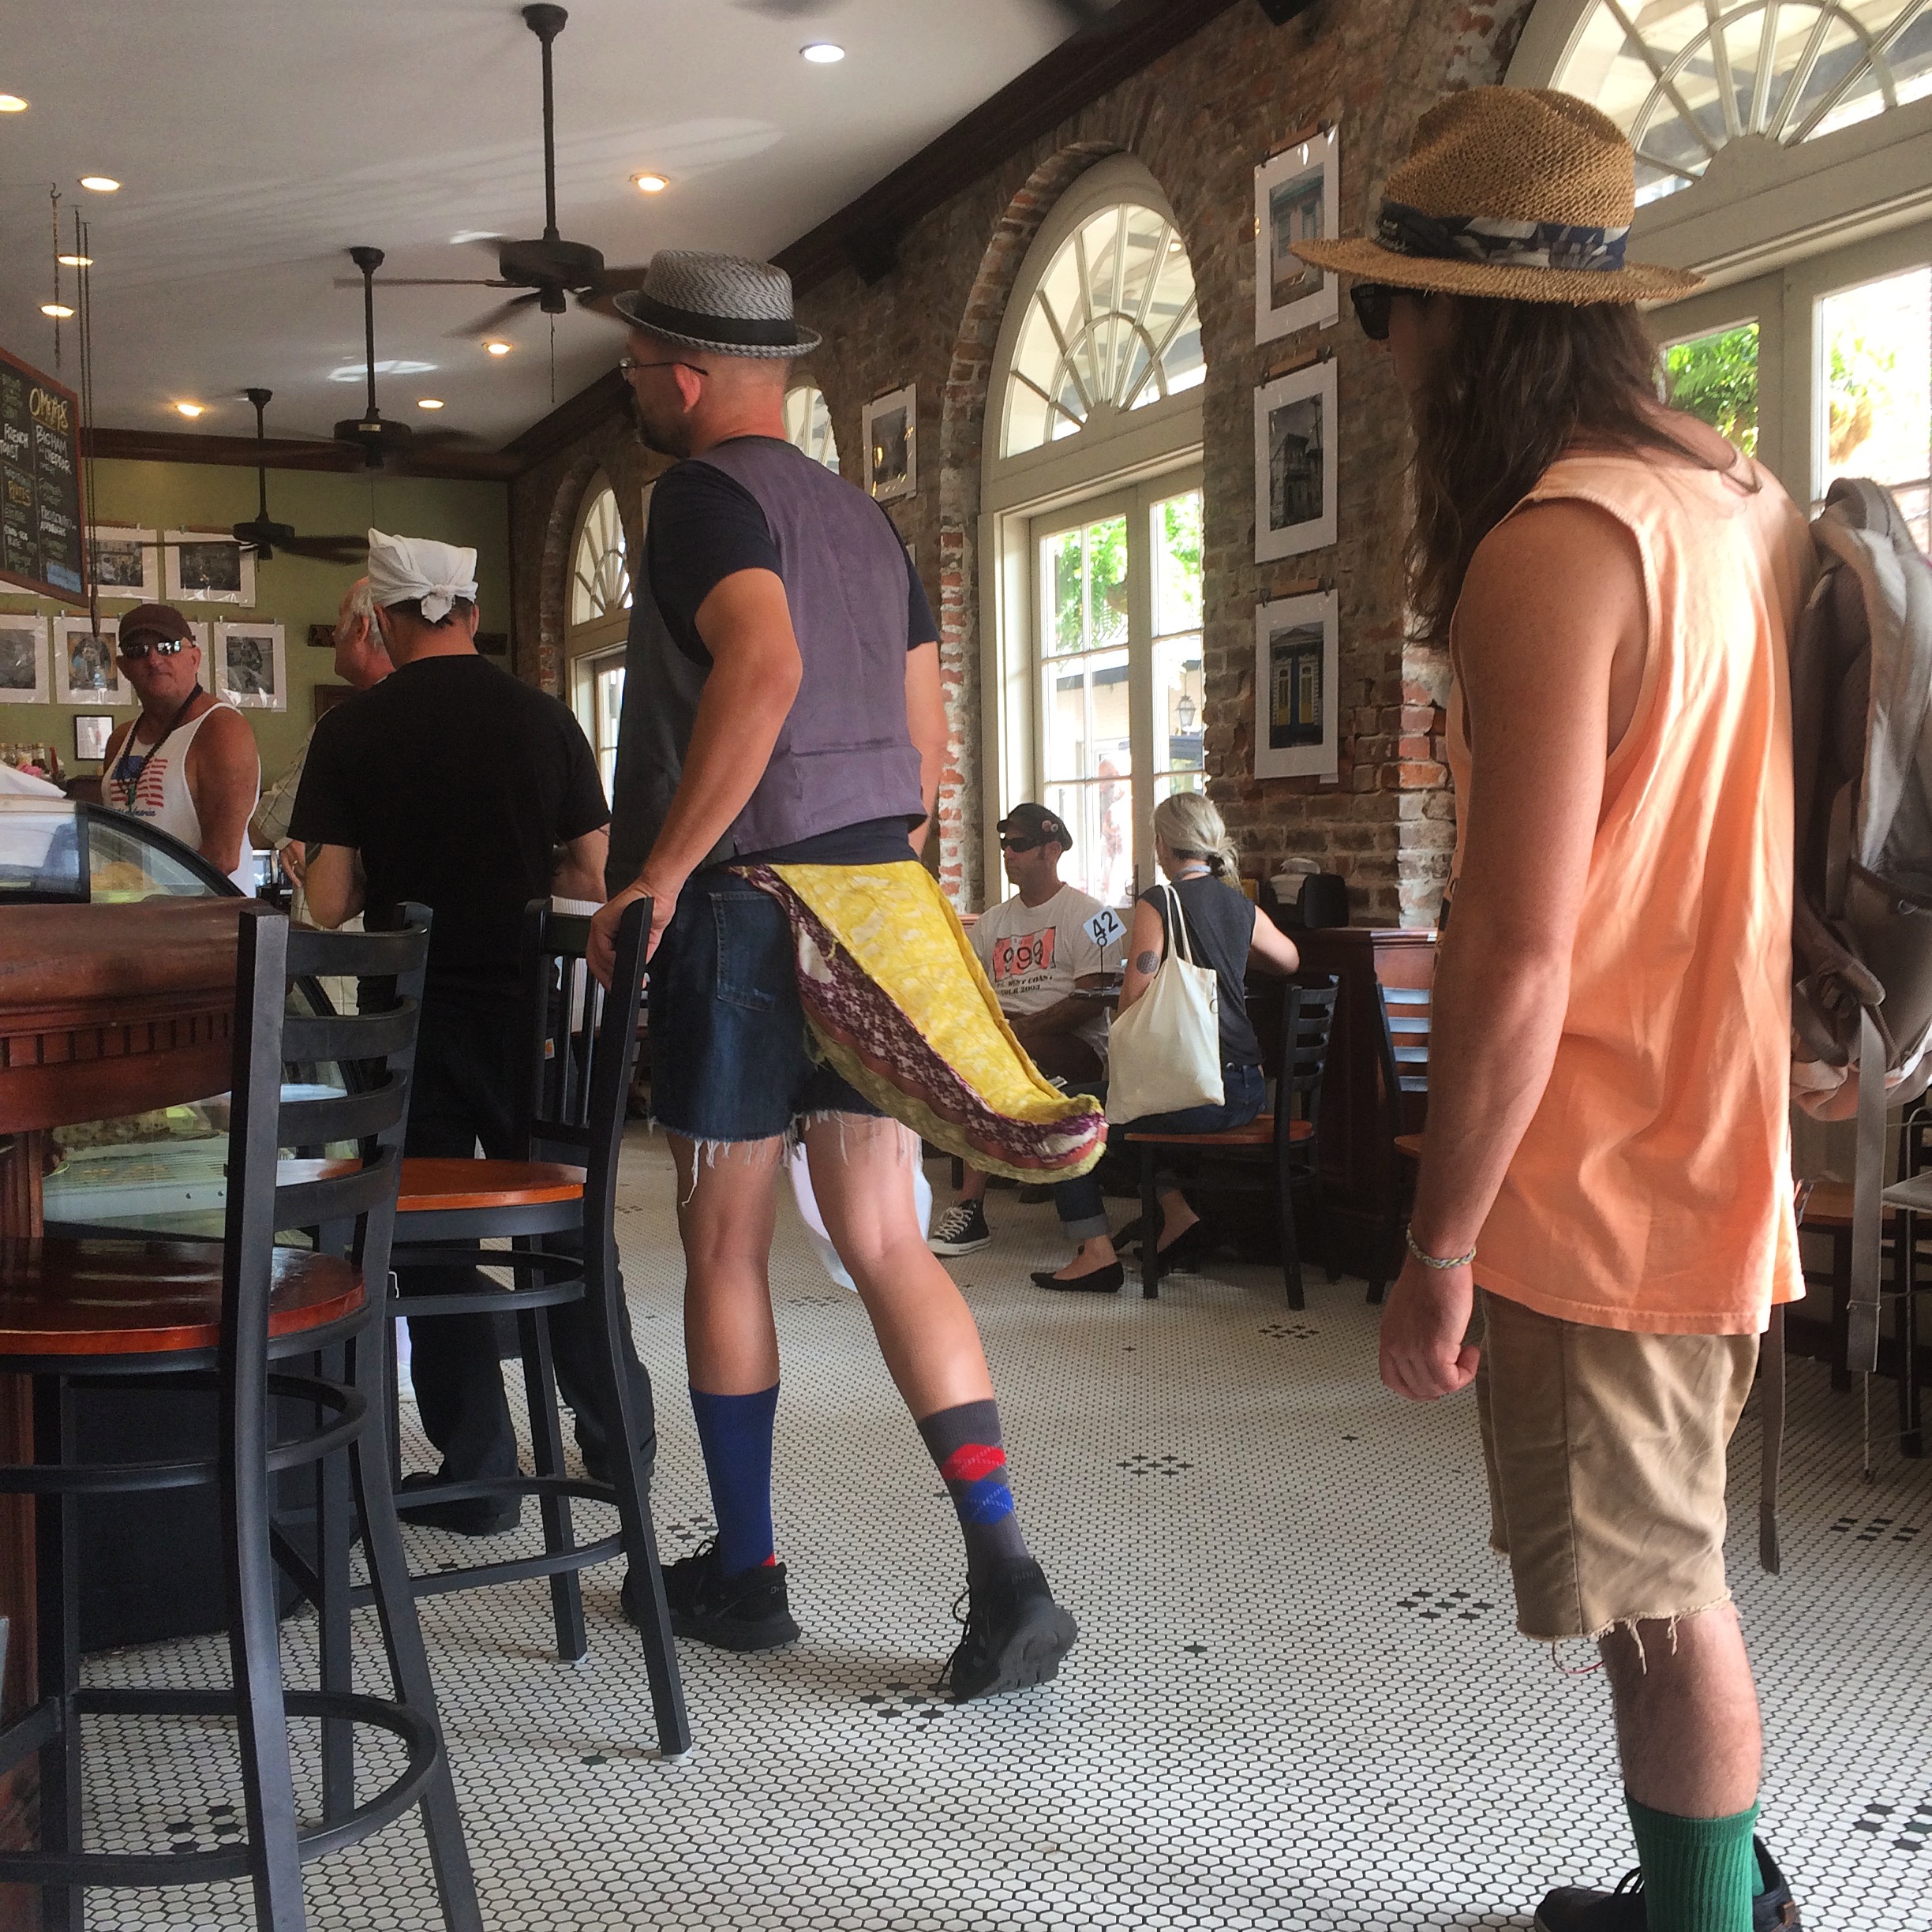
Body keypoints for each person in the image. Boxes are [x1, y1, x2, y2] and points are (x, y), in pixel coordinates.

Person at [1295, 88, 1810, 1932]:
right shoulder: (1735, 499)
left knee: (1658, 1606)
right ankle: (1707, 1894)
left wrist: (1436, 1243)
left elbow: (1515, 949)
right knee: (1664, 1564)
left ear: (1458, 317)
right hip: (1716, 1118)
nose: (1383, 351)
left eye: (1385, 307)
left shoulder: (1552, 543)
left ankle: (1707, 1917)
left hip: (1600, 1165)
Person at [588, 249, 1080, 1699]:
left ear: (687, 376)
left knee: (725, 1242)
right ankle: (1007, 1572)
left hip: (744, 904)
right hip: (875, 899)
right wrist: (865, 879)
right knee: (886, 1235)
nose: (633, 389)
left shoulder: (699, 498)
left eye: (636, 369)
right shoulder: (868, 523)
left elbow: (763, 668)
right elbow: (925, 751)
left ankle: (745, 1573)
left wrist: (664, 871)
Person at [291, 528, 659, 1541]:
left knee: (427, 1242)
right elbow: (592, 872)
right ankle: (621, 1443)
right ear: (469, 612)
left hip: (409, 1029)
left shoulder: (352, 732)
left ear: (384, 620)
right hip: (529, 1023)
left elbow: (329, 903)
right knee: (570, 1232)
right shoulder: (544, 717)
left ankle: (481, 1474)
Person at [1033, 791, 1300, 1294]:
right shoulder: (1240, 904)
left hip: (1196, 1091)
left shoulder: (1160, 901)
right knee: (1132, 1114)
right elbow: (1289, 961)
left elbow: (1135, 996)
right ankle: (1177, 1216)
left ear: (1162, 843)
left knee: (1065, 1115)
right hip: (1247, 1090)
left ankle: (1096, 1254)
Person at [927, 801, 1125, 1257]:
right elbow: (965, 988)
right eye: (1004, 844)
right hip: (1007, 1034)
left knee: (993, 1065)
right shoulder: (992, 922)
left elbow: (1093, 1001)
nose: (1008, 853)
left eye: (1019, 844)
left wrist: (1014, 1033)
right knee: (966, 1061)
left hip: (1073, 1044)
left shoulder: (1095, 915)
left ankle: (970, 1205)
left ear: (1051, 850)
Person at [99, 602, 260, 891]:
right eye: (138, 651)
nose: (153, 660)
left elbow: (223, 858)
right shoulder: (119, 740)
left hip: (207, 915)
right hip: (133, 912)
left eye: (168, 647)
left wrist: (150, 899)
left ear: (195, 658)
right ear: (123, 668)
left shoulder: (222, 729)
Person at [250, 576, 392, 900]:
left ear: (361, 628)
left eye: (340, 617)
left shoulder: (343, 727)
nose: (334, 632)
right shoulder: (436, 716)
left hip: (348, 920)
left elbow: (264, 828)